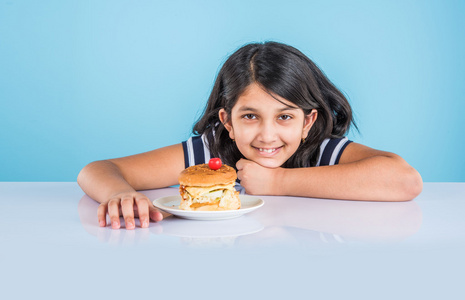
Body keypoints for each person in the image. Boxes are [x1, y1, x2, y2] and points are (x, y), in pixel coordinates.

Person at [77, 41, 423, 230]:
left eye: (285, 116)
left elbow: (405, 181)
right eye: (250, 116)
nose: (267, 135)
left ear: (307, 121)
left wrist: (277, 182)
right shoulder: (210, 153)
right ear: (228, 121)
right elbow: (96, 170)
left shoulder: (323, 151)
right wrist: (121, 194)